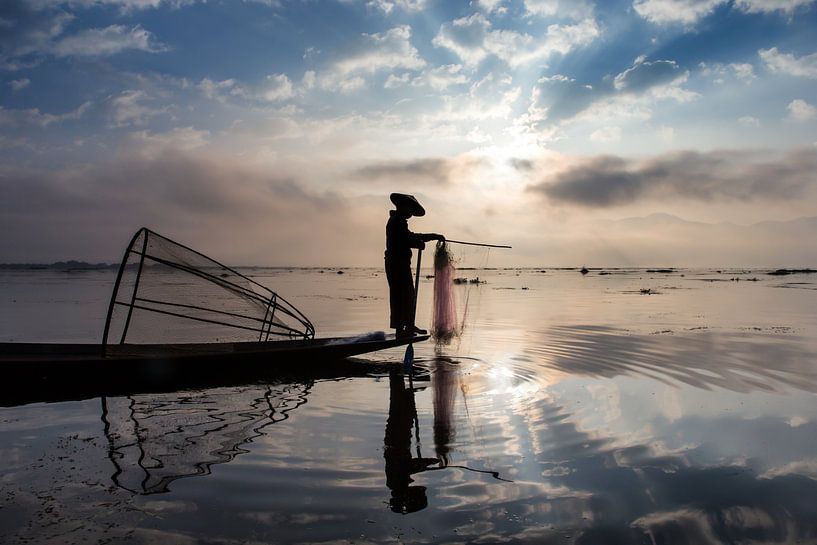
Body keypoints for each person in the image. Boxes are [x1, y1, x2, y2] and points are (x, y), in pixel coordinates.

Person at [385, 193, 444, 338]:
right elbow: (405, 240)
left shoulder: (399, 221)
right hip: (396, 263)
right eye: (410, 209)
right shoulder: (396, 221)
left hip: (400, 263)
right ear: (402, 206)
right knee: (401, 295)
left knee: (406, 295)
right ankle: (402, 329)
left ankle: (407, 326)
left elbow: (411, 236)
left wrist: (432, 236)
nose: (411, 213)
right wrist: (418, 243)